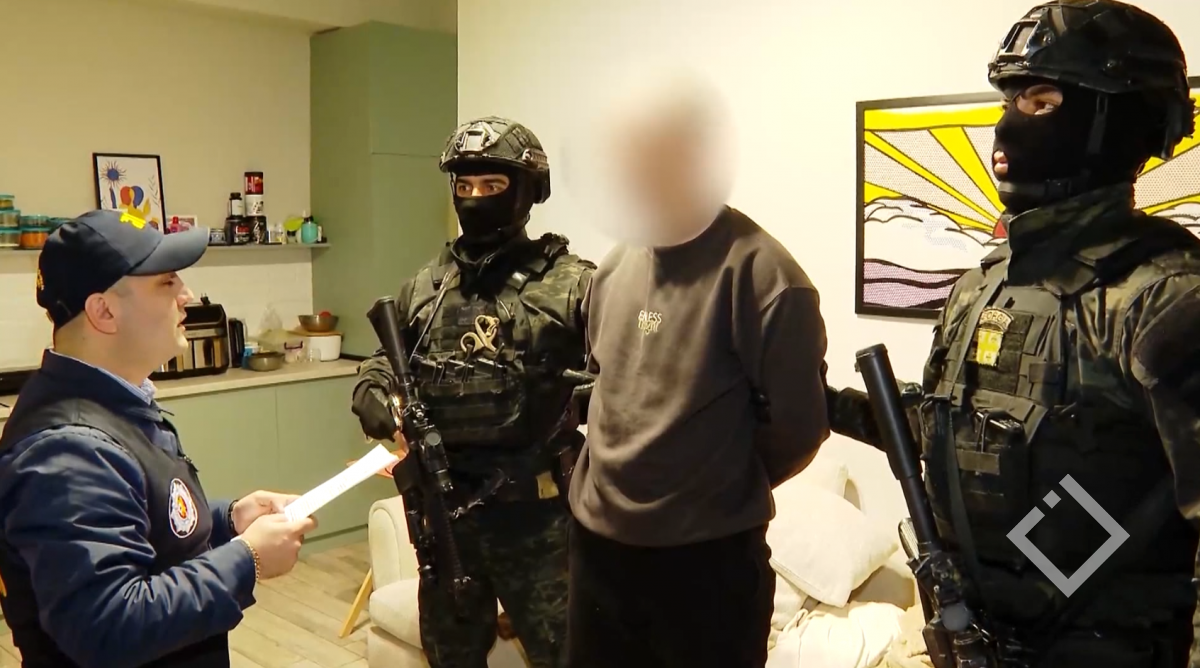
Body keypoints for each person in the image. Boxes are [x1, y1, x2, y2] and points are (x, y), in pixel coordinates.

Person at [826, 2, 1200, 666]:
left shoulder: (1164, 295)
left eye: (1040, 100)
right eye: (1007, 100)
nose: (1005, 125)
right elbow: (948, 433)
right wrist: (817, 403)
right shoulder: (985, 283)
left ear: (1114, 119)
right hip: (976, 641)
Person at [566, 71, 831, 668]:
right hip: (597, 553)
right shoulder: (612, 267)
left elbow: (798, 430)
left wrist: (708, 483)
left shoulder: (765, 276)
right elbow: (607, 391)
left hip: (706, 566)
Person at [0, 210, 318, 668]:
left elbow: (142, 519)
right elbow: (108, 625)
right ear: (104, 311)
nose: (187, 296)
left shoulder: (115, 404)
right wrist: (247, 559)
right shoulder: (67, 450)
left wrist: (229, 520)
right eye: (167, 282)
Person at [352, 116, 594, 668]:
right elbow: (386, 359)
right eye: (464, 185)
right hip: (449, 515)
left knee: (570, 655)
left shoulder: (572, 284)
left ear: (528, 191)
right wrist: (373, 389)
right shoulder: (426, 287)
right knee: (450, 656)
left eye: (493, 185)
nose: (476, 198)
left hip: (540, 522)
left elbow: (623, 372)